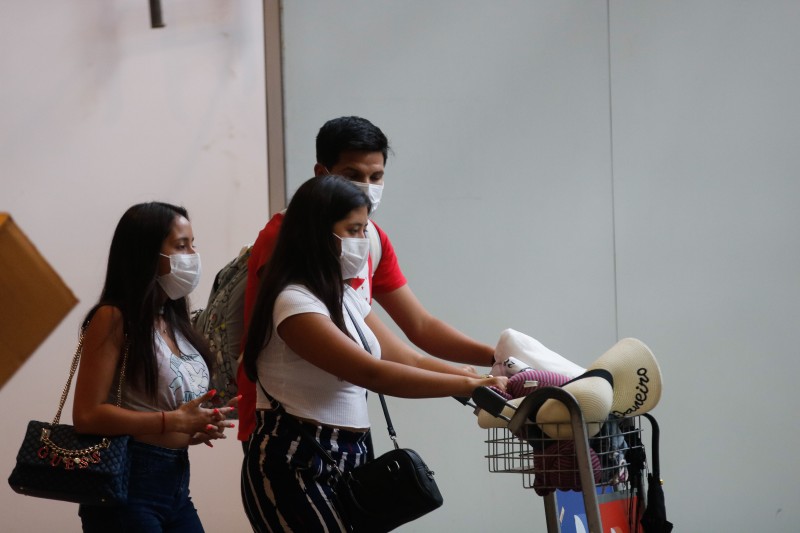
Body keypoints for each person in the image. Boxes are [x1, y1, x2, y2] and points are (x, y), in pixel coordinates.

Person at [240, 175, 507, 532]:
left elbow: (408, 358)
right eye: (353, 230)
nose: (362, 242)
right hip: (296, 457)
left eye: (364, 230)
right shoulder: (294, 302)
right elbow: (372, 373)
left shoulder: (344, 295)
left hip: (350, 455)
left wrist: (474, 374)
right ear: (315, 232)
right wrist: (466, 386)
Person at [236, 116, 497, 446]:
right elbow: (371, 370)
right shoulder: (289, 251)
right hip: (291, 425)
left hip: (346, 424)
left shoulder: (369, 244)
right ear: (322, 174)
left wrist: (495, 361)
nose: (367, 187)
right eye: (353, 175)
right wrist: (467, 384)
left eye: (376, 176)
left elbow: (418, 328)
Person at [72, 202, 238, 532]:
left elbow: (158, 411)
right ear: (145, 254)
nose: (192, 254)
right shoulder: (114, 318)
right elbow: (87, 416)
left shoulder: (173, 320)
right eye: (180, 246)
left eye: (193, 244)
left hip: (174, 481)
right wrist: (172, 420)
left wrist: (197, 423)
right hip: (127, 485)